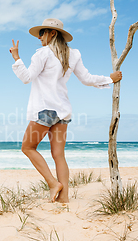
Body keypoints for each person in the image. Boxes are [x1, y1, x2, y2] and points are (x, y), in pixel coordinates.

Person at [9, 18, 122, 203]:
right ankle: (64, 200)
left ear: (52, 33)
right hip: (62, 112)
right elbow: (86, 79)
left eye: (41, 33)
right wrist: (109, 79)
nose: (39, 38)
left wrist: (16, 57)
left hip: (45, 109)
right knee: (59, 155)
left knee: (28, 147)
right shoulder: (73, 54)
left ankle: (53, 183)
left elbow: (26, 77)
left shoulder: (43, 53)